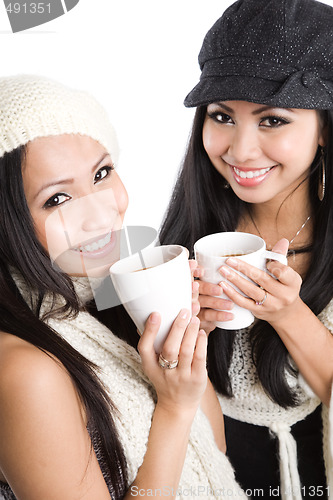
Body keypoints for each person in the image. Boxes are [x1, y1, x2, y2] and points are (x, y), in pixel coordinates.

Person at [0, 75, 247, 500]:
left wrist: (186, 337)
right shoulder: (25, 371)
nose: (102, 214)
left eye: (101, 173)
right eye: (58, 199)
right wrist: (173, 408)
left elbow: (210, 458)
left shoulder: (108, 300)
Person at [159, 0, 333, 498]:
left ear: (324, 128)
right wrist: (181, 337)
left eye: (272, 120)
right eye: (222, 116)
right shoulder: (176, 245)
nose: (239, 150)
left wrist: (289, 314)